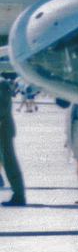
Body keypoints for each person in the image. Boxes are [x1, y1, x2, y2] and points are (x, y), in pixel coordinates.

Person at [0, 78, 25, 206]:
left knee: (9, 163)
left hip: (3, 130)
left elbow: (3, 108)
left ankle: (19, 195)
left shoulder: (2, 84)